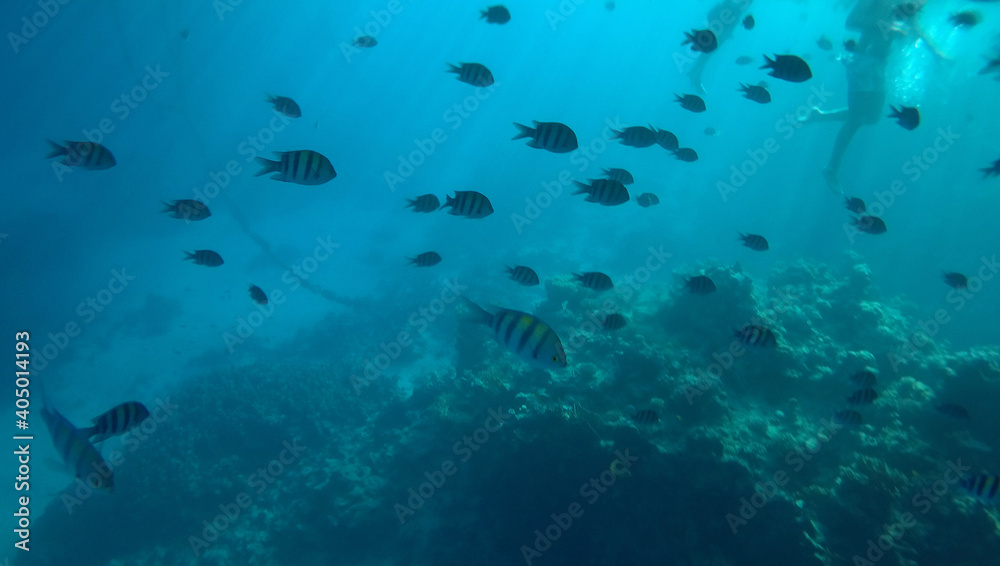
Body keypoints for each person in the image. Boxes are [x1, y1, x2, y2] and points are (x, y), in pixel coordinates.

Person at [804, 0, 945, 193]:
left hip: (880, 64)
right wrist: (886, 28)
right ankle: (831, 168)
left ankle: (819, 116)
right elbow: (851, 22)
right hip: (862, 62)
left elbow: (916, 28)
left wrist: (935, 52)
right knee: (856, 119)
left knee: (871, 117)